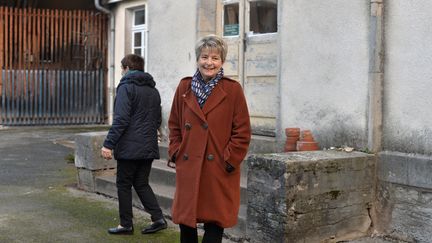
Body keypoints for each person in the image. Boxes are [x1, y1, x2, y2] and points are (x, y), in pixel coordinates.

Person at [168, 35, 251, 243]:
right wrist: (176, 151)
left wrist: (229, 161)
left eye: (215, 58)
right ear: (198, 59)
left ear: (222, 61)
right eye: (204, 57)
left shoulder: (232, 90)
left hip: (218, 168)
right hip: (189, 165)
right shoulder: (184, 87)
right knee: (187, 221)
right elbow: (174, 124)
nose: (209, 63)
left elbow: (242, 132)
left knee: (215, 222)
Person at [101, 54, 167, 235]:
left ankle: (126, 224)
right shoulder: (153, 90)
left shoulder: (126, 88)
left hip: (130, 148)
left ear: (126, 68)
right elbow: (157, 120)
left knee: (123, 183)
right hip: (148, 146)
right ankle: (158, 218)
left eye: (122, 69)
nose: (121, 72)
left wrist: (108, 144)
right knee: (141, 183)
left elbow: (121, 119)